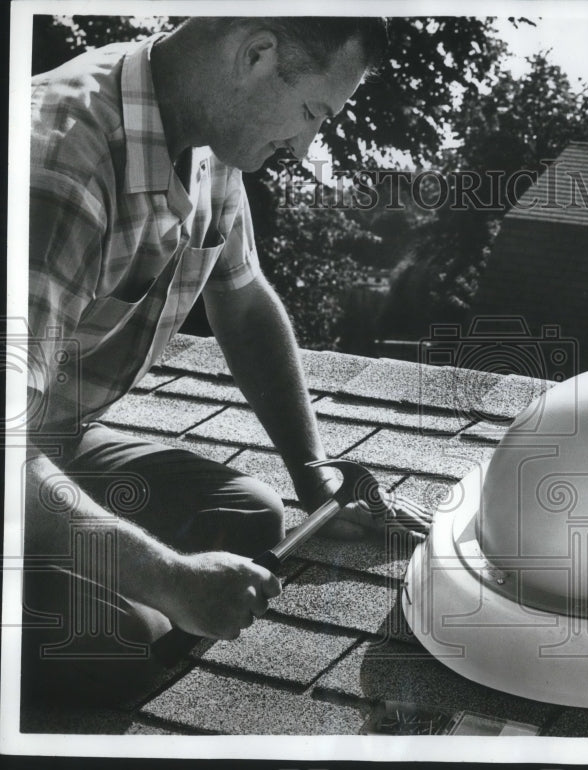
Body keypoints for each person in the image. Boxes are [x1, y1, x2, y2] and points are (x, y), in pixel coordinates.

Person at [23, 16, 388, 704]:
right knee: (121, 633)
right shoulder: (57, 162)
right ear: (254, 53)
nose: (306, 145)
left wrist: (313, 475)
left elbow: (242, 303)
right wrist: (168, 578)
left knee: (250, 514)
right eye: (312, 112)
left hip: (48, 437)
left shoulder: (204, 136)